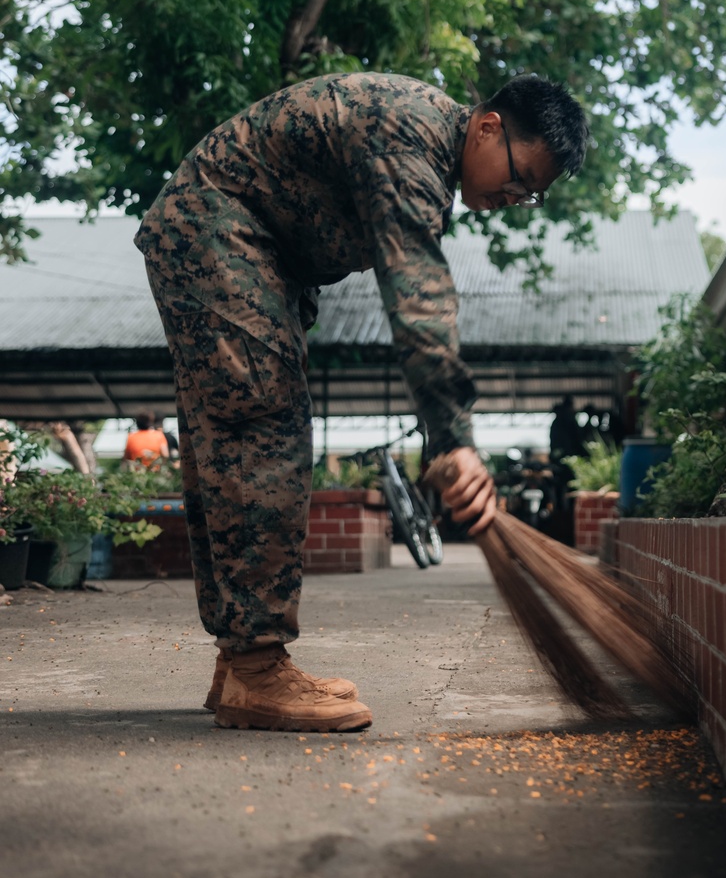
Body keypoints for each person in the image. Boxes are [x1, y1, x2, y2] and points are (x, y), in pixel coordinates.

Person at [136, 72, 588, 733]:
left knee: (232, 435)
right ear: (488, 127)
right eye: (519, 181)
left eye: (530, 197)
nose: (514, 197)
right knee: (263, 427)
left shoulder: (429, 152)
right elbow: (419, 296)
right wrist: (456, 438)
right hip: (215, 227)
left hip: (239, 242)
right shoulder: (412, 135)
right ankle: (256, 666)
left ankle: (240, 662)